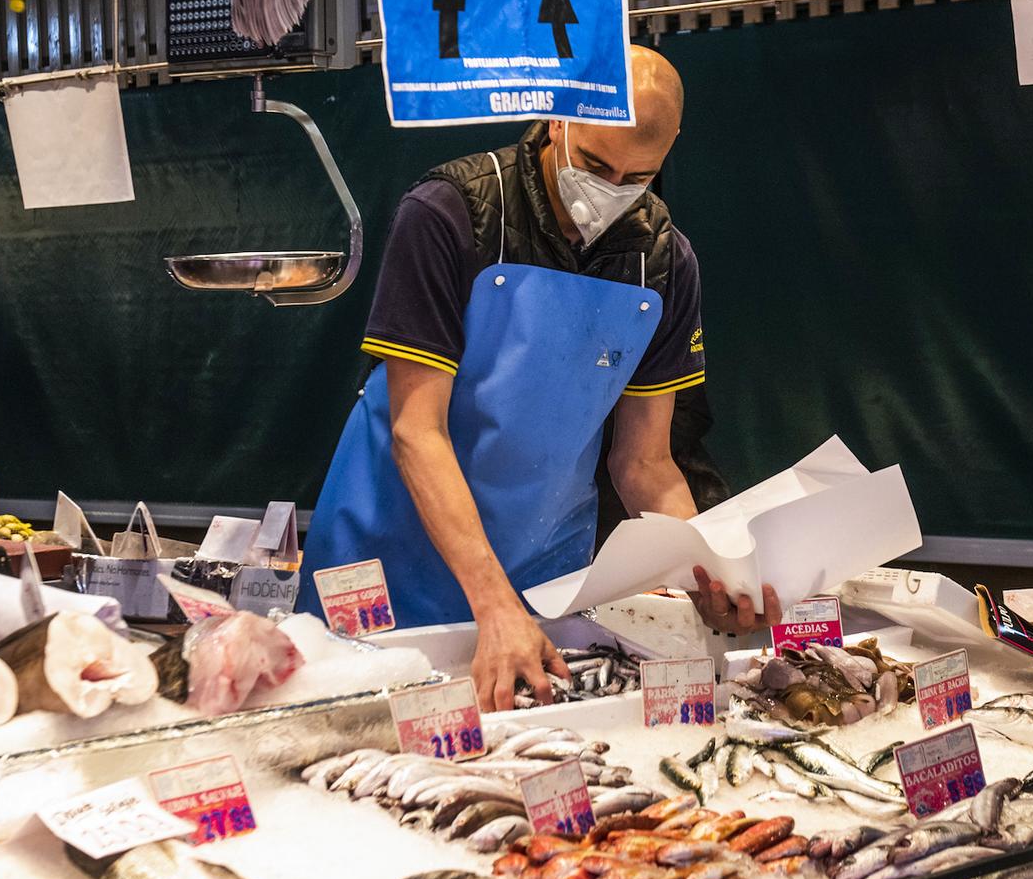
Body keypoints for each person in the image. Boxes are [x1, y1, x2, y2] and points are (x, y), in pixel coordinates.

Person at [299, 47, 775, 711]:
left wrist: (713, 568)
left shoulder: (665, 261)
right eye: (595, 165)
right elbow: (416, 431)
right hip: (388, 559)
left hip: (542, 577)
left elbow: (645, 462)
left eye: (637, 176)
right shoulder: (451, 211)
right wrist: (491, 604)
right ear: (556, 119)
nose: (610, 190)